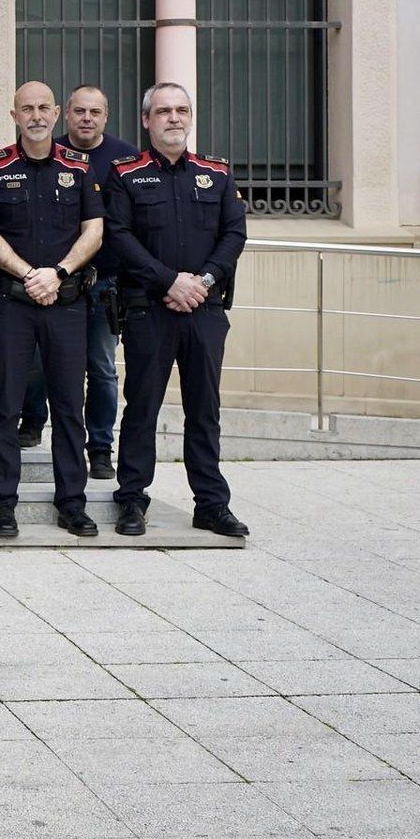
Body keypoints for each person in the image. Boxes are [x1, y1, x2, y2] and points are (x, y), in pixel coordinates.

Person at [104, 83, 250, 540]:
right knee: (142, 406)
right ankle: (131, 498)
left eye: (181, 110)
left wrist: (202, 282)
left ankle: (211, 504)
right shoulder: (125, 174)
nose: (173, 118)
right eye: (163, 111)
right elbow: (119, 235)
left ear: (190, 117)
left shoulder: (217, 174)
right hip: (150, 308)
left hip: (204, 311)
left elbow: (234, 235)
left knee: (204, 409)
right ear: (146, 120)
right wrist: (169, 281)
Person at [0, 81, 105, 539]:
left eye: (44, 107)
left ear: (58, 113)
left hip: (66, 304)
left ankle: (72, 503)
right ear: (14, 116)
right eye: (27, 108)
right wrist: (31, 274)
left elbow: (94, 231)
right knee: (6, 406)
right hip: (13, 304)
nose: (36, 115)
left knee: (69, 406)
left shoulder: (80, 167)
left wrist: (59, 273)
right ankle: (2, 504)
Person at [17, 84, 135, 478]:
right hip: (52, 283)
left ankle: (100, 447)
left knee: (101, 368)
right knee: (36, 362)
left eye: (95, 112)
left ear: (106, 116)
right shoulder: (49, 150)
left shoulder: (124, 158)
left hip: (103, 284)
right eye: (79, 111)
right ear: (63, 114)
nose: (87, 118)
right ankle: (32, 422)